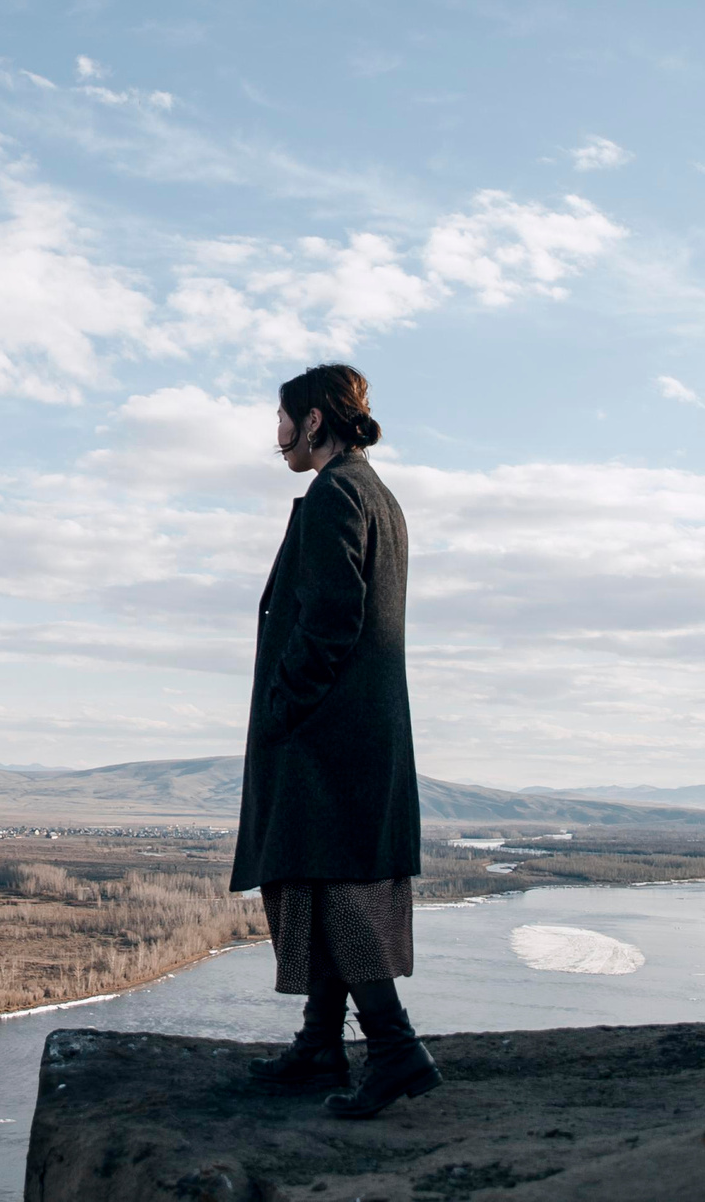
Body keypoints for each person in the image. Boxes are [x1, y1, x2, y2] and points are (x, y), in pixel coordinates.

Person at [231, 362, 439, 1119]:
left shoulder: (335, 495)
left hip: (327, 736)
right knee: (321, 882)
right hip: (354, 733)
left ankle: (394, 1050)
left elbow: (330, 619)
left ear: (313, 420)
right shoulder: (374, 494)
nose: (277, 434)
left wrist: (285, 707)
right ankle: (321, 1042)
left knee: (336, 894)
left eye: (283, 418)